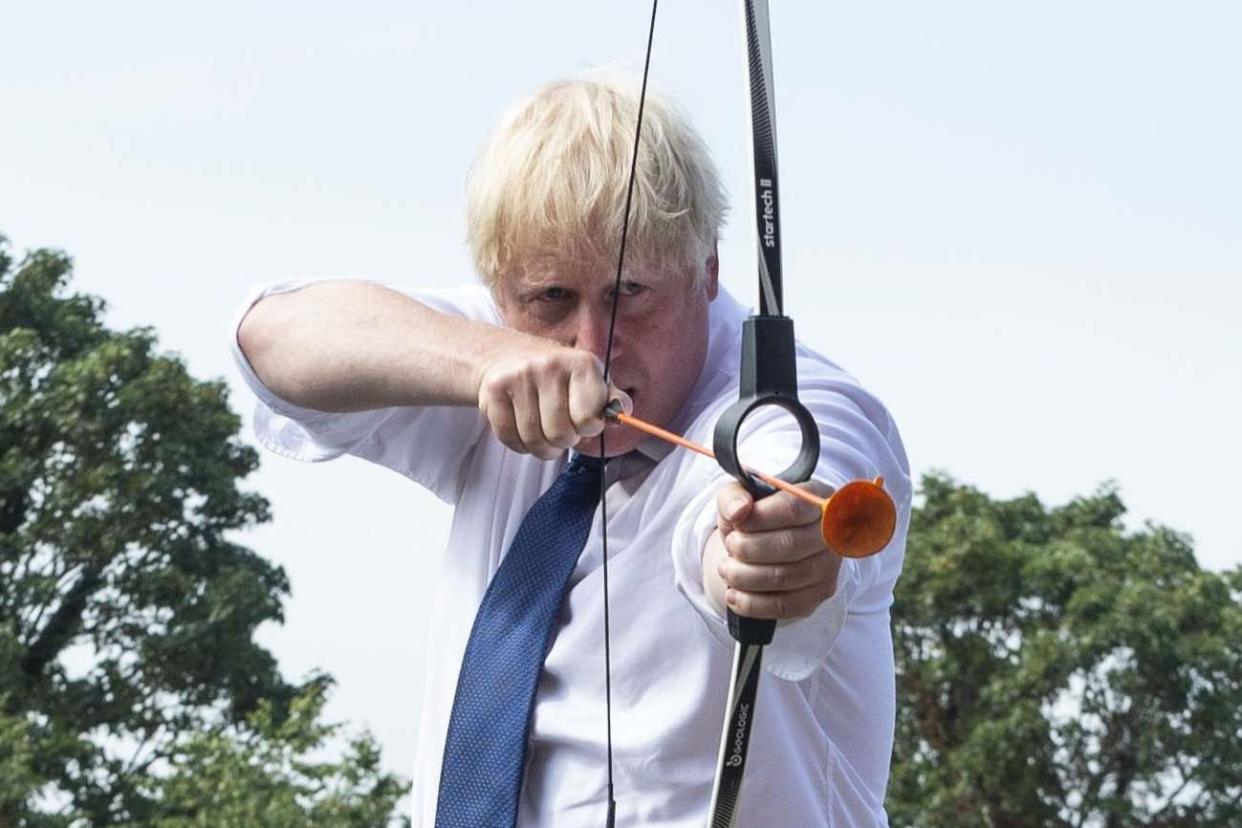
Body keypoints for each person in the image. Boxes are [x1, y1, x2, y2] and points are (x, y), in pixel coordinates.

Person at [230, 76, 912, 827]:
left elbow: (786, 485)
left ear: (707, 270)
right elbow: (271, 339)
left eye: (630, 292)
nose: (594, 347)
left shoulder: (806, 410)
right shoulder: (499, 355)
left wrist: (769, 552)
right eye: (552, 299)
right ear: (500, 294)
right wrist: (483, 361)